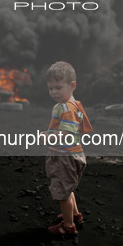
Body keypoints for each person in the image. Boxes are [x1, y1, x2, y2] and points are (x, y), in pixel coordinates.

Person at [42, 61, 93, 237]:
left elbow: (66, 133)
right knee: (68, 189)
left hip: (65, 157)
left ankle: (69, 226)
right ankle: (75, 215)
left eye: (58, 87)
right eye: (50, 88)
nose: (54, 92)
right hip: (73, 154)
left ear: (72, 86)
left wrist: (47, 136)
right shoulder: (73, 104)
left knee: (63, 193)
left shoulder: (67, 109)